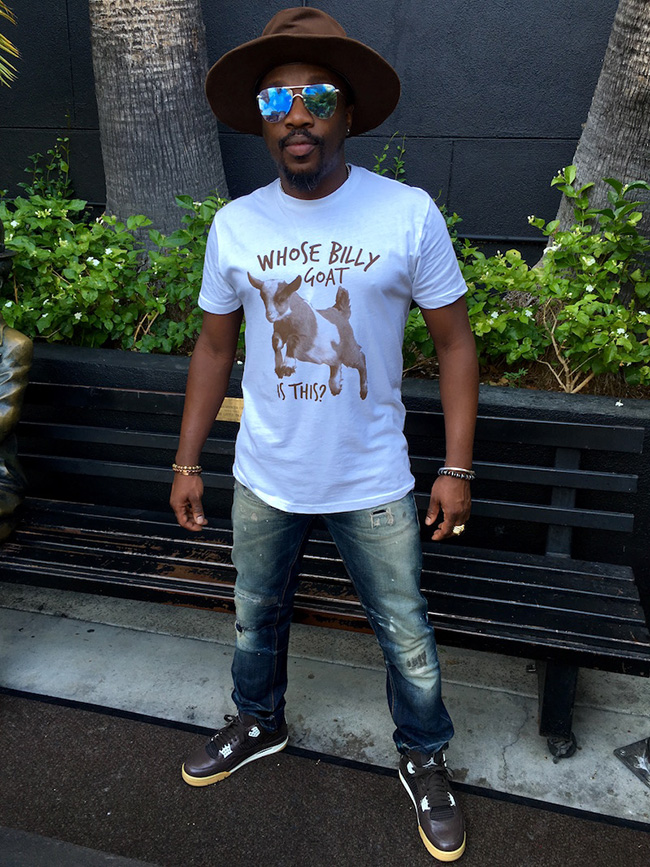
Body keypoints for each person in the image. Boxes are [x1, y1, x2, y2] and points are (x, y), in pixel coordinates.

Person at [170, 8, 478, 862]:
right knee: (254, 616)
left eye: (316, 96)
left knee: (405, 631)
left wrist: (456, 467)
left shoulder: (406, 213)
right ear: (261, 119)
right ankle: (258, 720)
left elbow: (456, 344)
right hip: (265, 472)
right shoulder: (236, 224)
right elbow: (213, 348)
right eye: (277, 99)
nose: (295, 114)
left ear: (348, 113)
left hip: (372, 475)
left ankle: (424, 755)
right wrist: (188, 459)